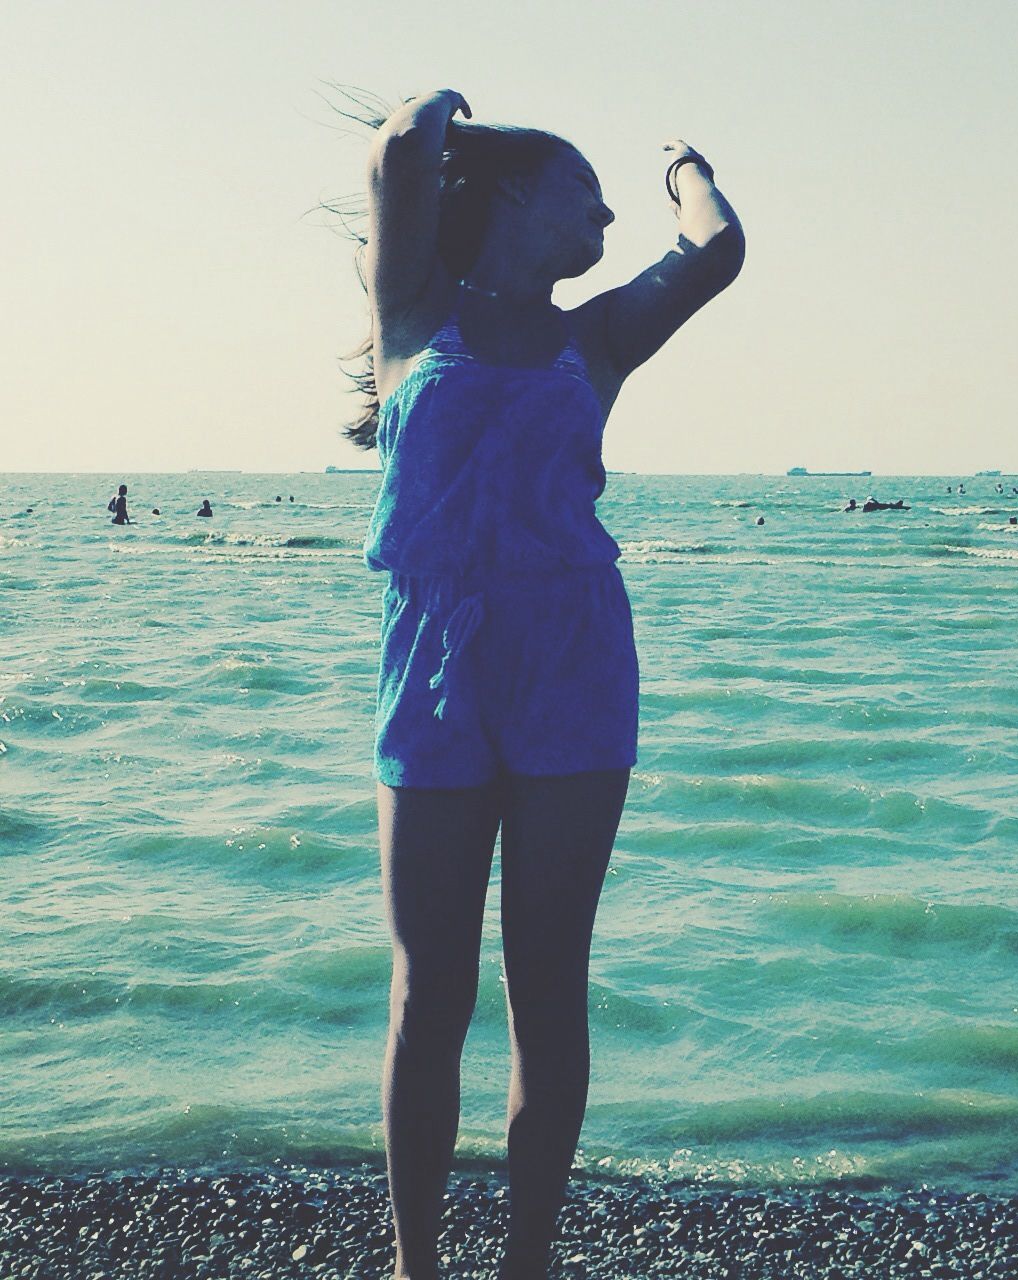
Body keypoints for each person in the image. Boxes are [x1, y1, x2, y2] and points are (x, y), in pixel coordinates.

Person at [347, 88, 745, 1280]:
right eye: (590, 191)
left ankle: (529, 1264)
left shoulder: (600, 336)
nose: (612, 214)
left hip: (574, 664)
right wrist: (432, 115)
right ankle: (416, 1267)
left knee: (546, 985)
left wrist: (688, 165)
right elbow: (397, 158)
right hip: (432, 673)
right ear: (516, 192)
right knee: (429, 990)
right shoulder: (411, 308)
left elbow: (714, 248)